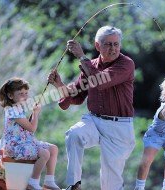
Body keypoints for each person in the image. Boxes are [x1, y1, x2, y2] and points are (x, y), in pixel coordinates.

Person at [48, 26, 135, 190]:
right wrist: (59, 84)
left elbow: (100, 81)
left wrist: (81, 56)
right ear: (97, 46)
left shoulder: (126, 64)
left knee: (110, 185)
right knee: (74, 134)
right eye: (108, 44)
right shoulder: (91, 65)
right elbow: (75, 96)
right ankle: (75, 185)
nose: (113, 48)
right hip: (94, 120)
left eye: (116, 44)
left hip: (119, 127)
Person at [0, 77, 60, 190]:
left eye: (26, 93)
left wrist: (33, 113)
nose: (25, 96)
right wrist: (36, 114)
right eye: (21, 93)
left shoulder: (18, 108)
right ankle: (33, 181)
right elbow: (32, 128)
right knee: (44, 154)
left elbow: (27, 127)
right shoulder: (12, 110)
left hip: (26, 142)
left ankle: (49, 181)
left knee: (53, 149)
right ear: (11, 96)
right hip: (15, 146)